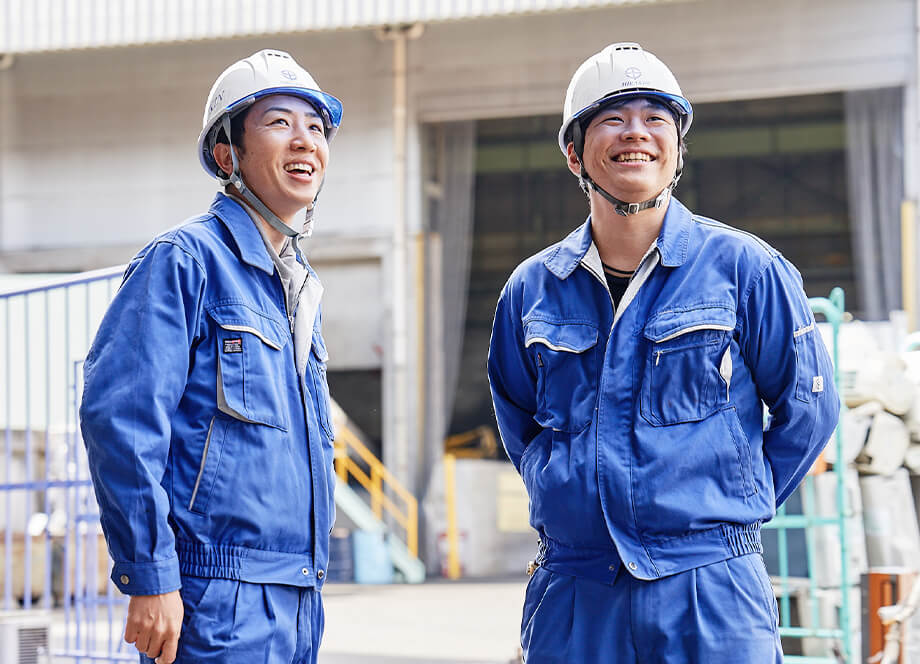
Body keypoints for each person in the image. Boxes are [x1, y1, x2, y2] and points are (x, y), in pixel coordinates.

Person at [487, 42, 840, 663]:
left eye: (656, 118)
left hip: (710, 589)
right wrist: (566, 490)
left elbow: (808, 412)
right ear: (575, 152)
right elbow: (520, 424)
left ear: (677, 147)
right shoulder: (531, 290)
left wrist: (729, 504)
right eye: (612, 118)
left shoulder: (745, 269)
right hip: (577, 590)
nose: (636, 133)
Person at [80, 49, 342, 664]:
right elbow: (121, 420)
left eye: (316, 127)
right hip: (212, 599)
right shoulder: (185, 261)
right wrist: (151, 573)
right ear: (228, 154)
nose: (305, 140)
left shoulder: (298, 286)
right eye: (279, 122)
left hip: (298, 594)